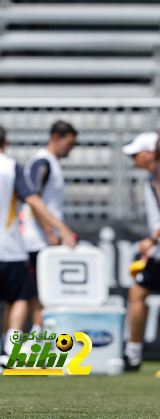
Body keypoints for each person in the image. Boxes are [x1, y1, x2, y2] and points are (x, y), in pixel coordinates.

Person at [0, 124, 77, 378]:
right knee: (21, 299)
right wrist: (60, 228)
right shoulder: (11, 166)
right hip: (10, 244)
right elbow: (33, 199)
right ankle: (10, 352)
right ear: (7, 141)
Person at [20, 121, 77, 339]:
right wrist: (51, 231)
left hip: (42, 240)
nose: (71, 148)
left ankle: (38, 342)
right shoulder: (42, 161)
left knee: (42, 297)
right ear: (56, 137)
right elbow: (35, 200)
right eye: (69, 143)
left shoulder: (48, 161)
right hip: (38, 240)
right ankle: (35, 344)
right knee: (40, 297)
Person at [121, 132, 160, 371]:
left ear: (149, 154)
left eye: (136, 154)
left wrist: (151, 240)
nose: (133, 159)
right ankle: (132, 353)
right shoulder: (151, 179)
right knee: (137, 293)